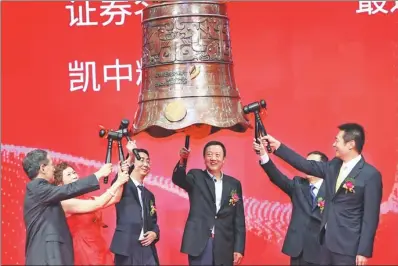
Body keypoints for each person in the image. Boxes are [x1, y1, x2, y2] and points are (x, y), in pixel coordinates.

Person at [261, 123, 383, 265]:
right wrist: (278, 147)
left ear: (350, 144)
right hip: (324, 246)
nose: (333, 144)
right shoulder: (333, 166)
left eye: (337, 140)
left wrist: (363, 251)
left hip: (348, 248)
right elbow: (305, 164)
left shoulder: (370, 175)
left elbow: (370, 217)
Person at [22, 149, 112, 265]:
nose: (54, 169)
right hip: (46, 257)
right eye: (52, 164)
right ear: (43, 168)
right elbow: (68, 189)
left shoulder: (43, 190)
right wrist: (98, 174)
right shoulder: (37, 187)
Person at [254, 138, 328, 265]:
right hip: (297, 250)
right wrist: (263, 155)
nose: (306, 166)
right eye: (306, 162)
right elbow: (276, 177)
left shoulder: (333, 189)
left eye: (312, 164)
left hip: (321, 251)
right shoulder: (298, 184)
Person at [172, 140, 246, 266]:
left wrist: (239, 248)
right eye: (209, 154)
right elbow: (178, 179)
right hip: (200, 243)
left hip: (224, 244)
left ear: (224, 159)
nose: (213, 158)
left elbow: (239, 219)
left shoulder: (234, 184)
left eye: (217, 155)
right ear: (204, 158)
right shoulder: (195, 176)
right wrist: (183, 160)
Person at [53, 155, 130, 265]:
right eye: (69, 174)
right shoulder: (65, 202)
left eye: (74, 172)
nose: (74, 175)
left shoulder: (86, 198)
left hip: (99, 246)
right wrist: (117, 183)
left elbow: (115, 198)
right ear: (60, 184)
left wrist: (120, 176)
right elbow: (98, 203)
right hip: (84, 251)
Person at [110, 148, 160, 266]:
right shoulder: (123, 184)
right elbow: (118, 180)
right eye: (141, 160)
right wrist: (130, 156)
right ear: (133, 162)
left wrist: (154, 233)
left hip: (147, 248)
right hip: (126, 247)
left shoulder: (149, 195)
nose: (145, 164)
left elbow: (153, 222)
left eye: (148, 161)